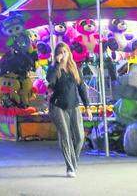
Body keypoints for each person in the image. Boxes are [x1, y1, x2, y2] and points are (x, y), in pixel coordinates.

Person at [46, 41, 91, 177]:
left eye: (65, 52)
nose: (63, 55)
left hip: (74, 105)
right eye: (60, 52)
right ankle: (70, 167)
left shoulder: (74, 68)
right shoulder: (53, 68)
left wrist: (87, 106)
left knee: (79, 138)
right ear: (56, 55)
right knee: (65, 136)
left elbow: (82, 87)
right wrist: (56, 64)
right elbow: (50, 81)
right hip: (58, 106)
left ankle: (74, 161)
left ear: (69, 53)